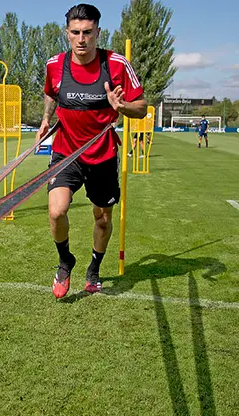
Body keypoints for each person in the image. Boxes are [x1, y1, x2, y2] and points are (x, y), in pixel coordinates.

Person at [36, 3, 148, 298]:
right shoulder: (54, 64)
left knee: (102, 218)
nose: (82, 38)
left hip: (102, 155)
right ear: (67, 33)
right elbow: (50, 92)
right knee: (56, 211)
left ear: (98, 32)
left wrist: (122, 107)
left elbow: (142, 107)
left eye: (88, 32)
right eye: (76, 32)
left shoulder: (116, 64)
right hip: (66, 152)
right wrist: (47, 118)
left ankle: (94, 270)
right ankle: (65, 261)